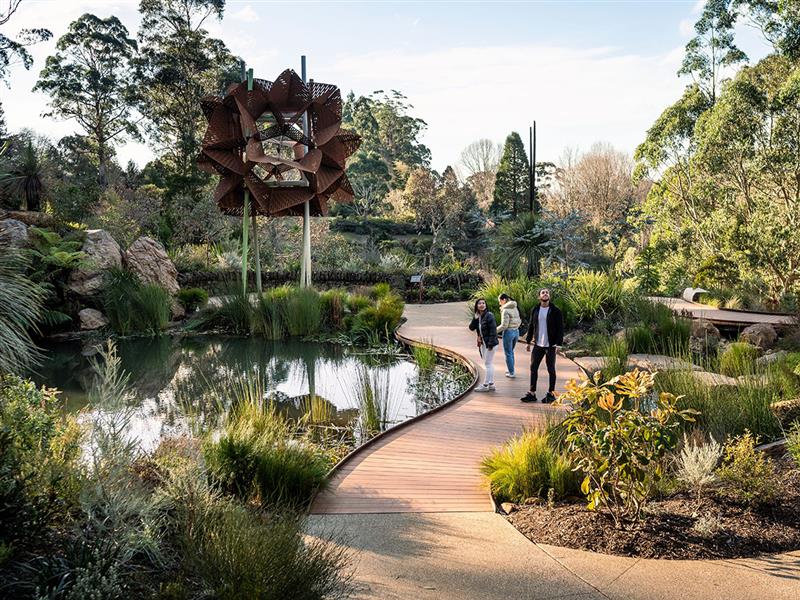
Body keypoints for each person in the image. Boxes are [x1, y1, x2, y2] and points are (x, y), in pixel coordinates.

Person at [520, 288, 564, 404]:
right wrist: (528, 341)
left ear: (549, 296)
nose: (545, 294)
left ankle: (551, 394)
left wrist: (559, 344)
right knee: (533, 368)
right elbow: (531, 326)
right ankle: (532, 393)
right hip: (538, 344)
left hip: (551, 345)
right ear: (539, 296)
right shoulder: (535, 309)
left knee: (551, 369)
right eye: (543, 292)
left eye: (547, 292)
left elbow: (560, 328)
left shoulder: (555, 311)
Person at [468, 298, 498, 392]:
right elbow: (471, 328)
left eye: (483, 303)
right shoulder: (479, 316)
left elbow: (493, 331)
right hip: (483, 343)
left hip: (490, 344)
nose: (481, 305)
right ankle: (491, 384)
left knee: (487, 364)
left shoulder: (489, 316)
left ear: (486, 305)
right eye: (479, 303)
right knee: (489, 363)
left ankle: (485, 385)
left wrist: (490, 345)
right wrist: (475, 318)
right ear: (477, 306)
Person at [496, 293, 522, 379]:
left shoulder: (505, 310)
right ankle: (511, 369)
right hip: (516, 332)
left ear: (503, 300)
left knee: (508, 353)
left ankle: (511, 372)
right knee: (511, 352)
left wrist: (494, 331)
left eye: (500, 301)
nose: (499, 303)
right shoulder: (514, 306)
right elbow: (519, 320)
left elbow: (504, 326)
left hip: (509, 332)